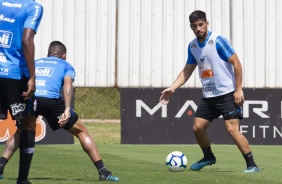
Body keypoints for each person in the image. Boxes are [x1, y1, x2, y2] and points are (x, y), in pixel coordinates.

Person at [0, 41, 120, 182]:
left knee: (20, 132)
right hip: (51, 101)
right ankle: (103, 171)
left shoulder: (35, 62)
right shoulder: (66, 65)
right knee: (81, 131)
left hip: (31, 97)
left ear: (48, 54)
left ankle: (1, 167)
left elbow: (21, 78)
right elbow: (68, 84)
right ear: (64, 56)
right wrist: (67, 109)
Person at [159, 10, 260, 173]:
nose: (198, 28)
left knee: (231, 129)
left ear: (207, 23)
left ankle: (252, 165)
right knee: (197, 127)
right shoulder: (192, 46)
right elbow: (187, 71)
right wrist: (172, 88)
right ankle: (208, 157)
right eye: (194, 26)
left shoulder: (217, 41)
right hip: (209, 96)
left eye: (200, 24)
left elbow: (237, 63)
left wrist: (239, 89)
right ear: (191, 27)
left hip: (227, 93)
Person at [0, 0, 43, 183]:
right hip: (15, 75)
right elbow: (27, 39)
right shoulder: (32, 7)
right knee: (27, 124)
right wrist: (32, 77)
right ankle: (22, 179)